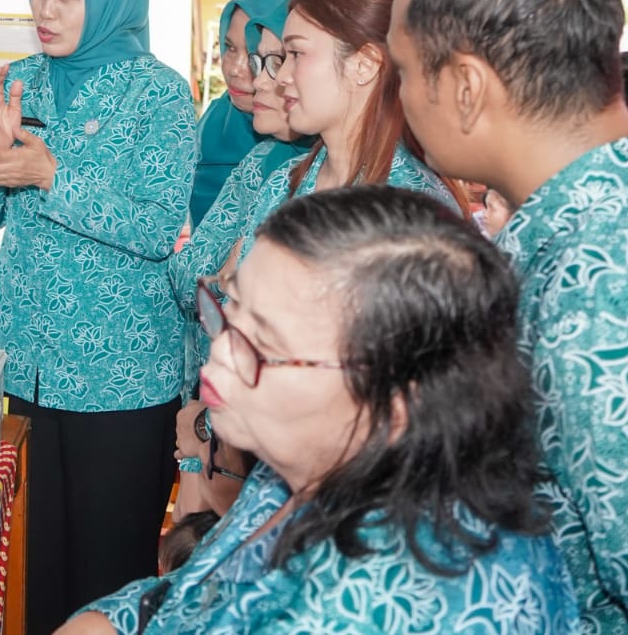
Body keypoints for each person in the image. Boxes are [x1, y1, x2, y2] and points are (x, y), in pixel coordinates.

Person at [61, 187, 579, 634]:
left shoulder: (394, 598)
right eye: (228, 311)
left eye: (263, 344)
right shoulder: (308, 470)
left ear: (393, 398)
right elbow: (194, 597)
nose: (220, 353)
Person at [0, 0, 198, 633]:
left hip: (119, 379)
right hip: (24, 368)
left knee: (103, 574)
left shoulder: (159, 95)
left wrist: (50, 175)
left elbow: (156, 228)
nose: (46, 10)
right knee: (24, 570)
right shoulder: (20, 81)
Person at [388, 0, 628, 631]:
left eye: (403, 71)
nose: (401, 98)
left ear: (466, 87)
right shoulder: (573, 233)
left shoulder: (595, 286)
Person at [173, 0, 310, 513]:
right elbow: (191, 279)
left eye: (271, 57)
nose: (244, 69)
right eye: (232, 49)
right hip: (210, 398)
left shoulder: (327, 172)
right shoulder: (239, 141)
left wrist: (227, 278)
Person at [237, 0, 459, 263]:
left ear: (364, 65)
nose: (281, 76)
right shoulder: (283, 182)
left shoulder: (413, 211)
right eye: (284, 57)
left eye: (296, 54)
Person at [190, 0, 304, 225]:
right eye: (230, 48)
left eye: (272, 59)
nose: (236, 69)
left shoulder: (328, 154)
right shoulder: (216, 122)